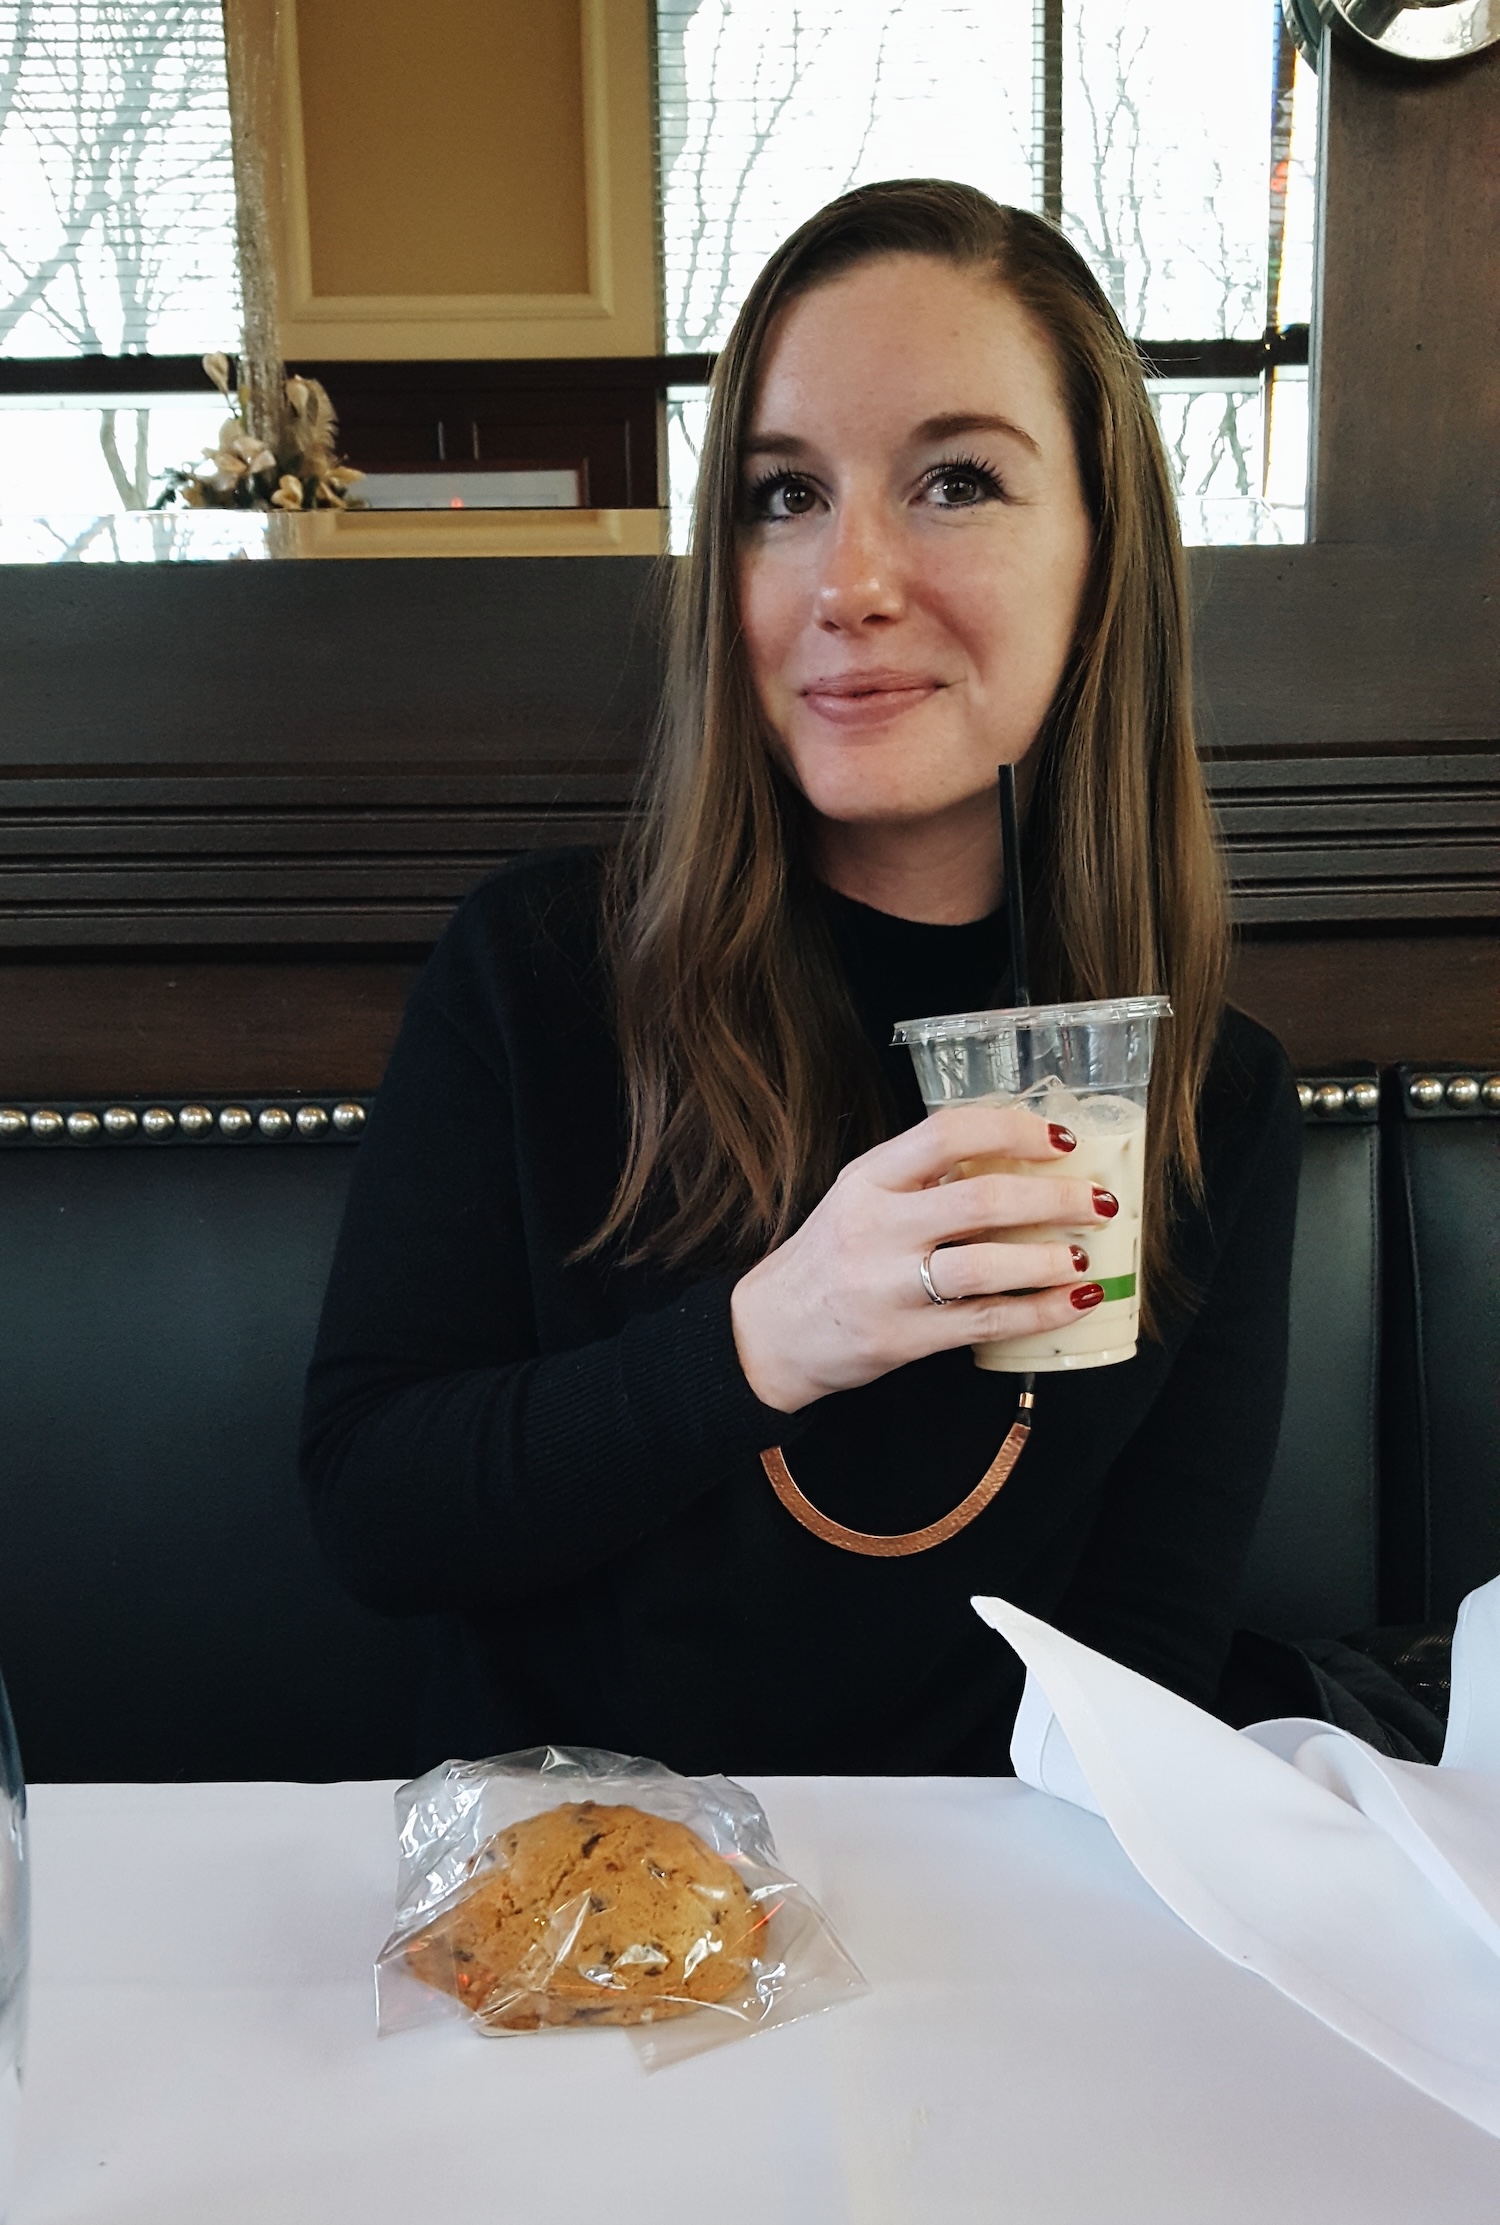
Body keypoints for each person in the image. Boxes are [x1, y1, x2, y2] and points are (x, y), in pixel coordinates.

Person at [301, 181, 1302, 1776]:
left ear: (1106, 558)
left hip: (1000, 1927)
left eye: (957, 481)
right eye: (783, 496)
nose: (849, 581)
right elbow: (378, 1510)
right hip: (567, 1918)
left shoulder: (1213, 1093)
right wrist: (774, 1332)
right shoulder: (539, 976)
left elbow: (1148, 1659)